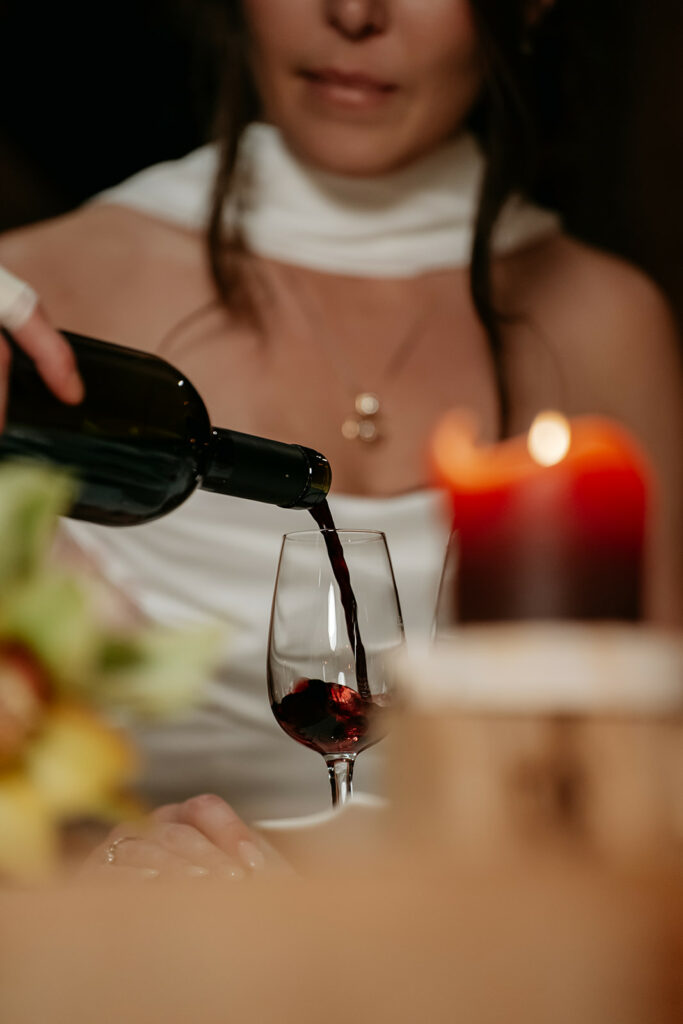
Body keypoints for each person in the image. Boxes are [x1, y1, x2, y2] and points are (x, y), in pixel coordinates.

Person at [0, 0, 681, 877]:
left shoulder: (604, 326)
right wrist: (99, 867)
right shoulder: (39, 302)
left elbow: (650, 805)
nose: (354, 11)